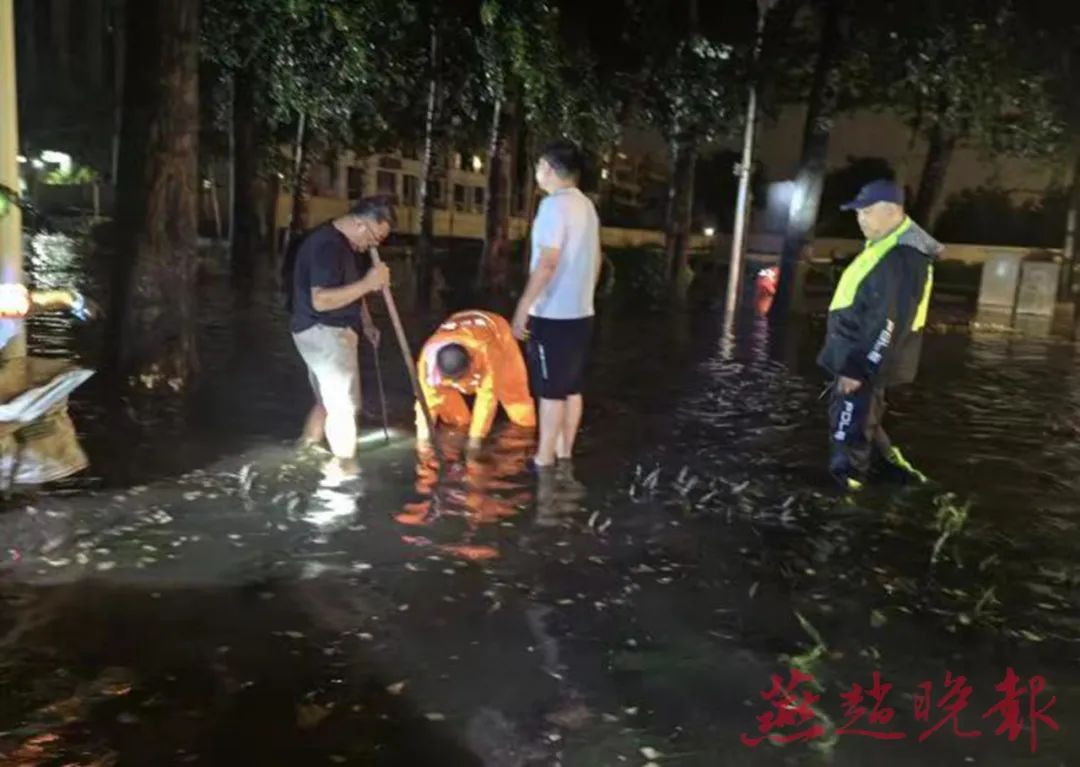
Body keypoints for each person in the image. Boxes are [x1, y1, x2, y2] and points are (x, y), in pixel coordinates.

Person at [818, 179, 942, 490]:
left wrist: (856, 368)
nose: (861, 220)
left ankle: (846, 496)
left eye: (868, 212)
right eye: (858, 213)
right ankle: (899, 475)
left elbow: (889, 321)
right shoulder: (888, 246)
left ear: (892, 211)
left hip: (863, 362)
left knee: (848, 428)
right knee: (862, 418)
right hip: (860, 358)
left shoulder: (901, 256)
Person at [511, 139, 601, 469]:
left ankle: (544, 460)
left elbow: (547, 261)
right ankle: (565, 454)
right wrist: (585, 294)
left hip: (553, 315)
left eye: (538, 167)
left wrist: (523, 305)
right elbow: (597, 260)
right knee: (572, 387)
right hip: (581, 313)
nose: (537, 172)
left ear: (548, 169)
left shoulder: (553, 207)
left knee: (550, 390)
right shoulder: (586, 207)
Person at [290, 197, 392, 479]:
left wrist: (367, 323)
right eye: (375, 238)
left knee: (326, 400)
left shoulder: (345, 245)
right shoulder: (327, 246)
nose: (374, 246)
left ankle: (304, 448)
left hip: (318, 331)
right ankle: (344, 472)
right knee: (344, 408)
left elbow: (349, 290)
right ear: (361, 224)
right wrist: (369, 284)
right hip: (324, 332)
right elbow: (321, 300)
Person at [415, 310, 536, 449]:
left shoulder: (486, 351)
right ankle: (462, 426)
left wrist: (475, 440)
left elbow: (487, 399)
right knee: (451, 415)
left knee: (513, 393)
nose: (456, 384)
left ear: (471, 362)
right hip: (460, 328)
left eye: (460, 378)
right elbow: (426, 403)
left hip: (497, 332)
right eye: (453, 380)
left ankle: (526, 435)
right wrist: (423, 442)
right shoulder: (427, 363)